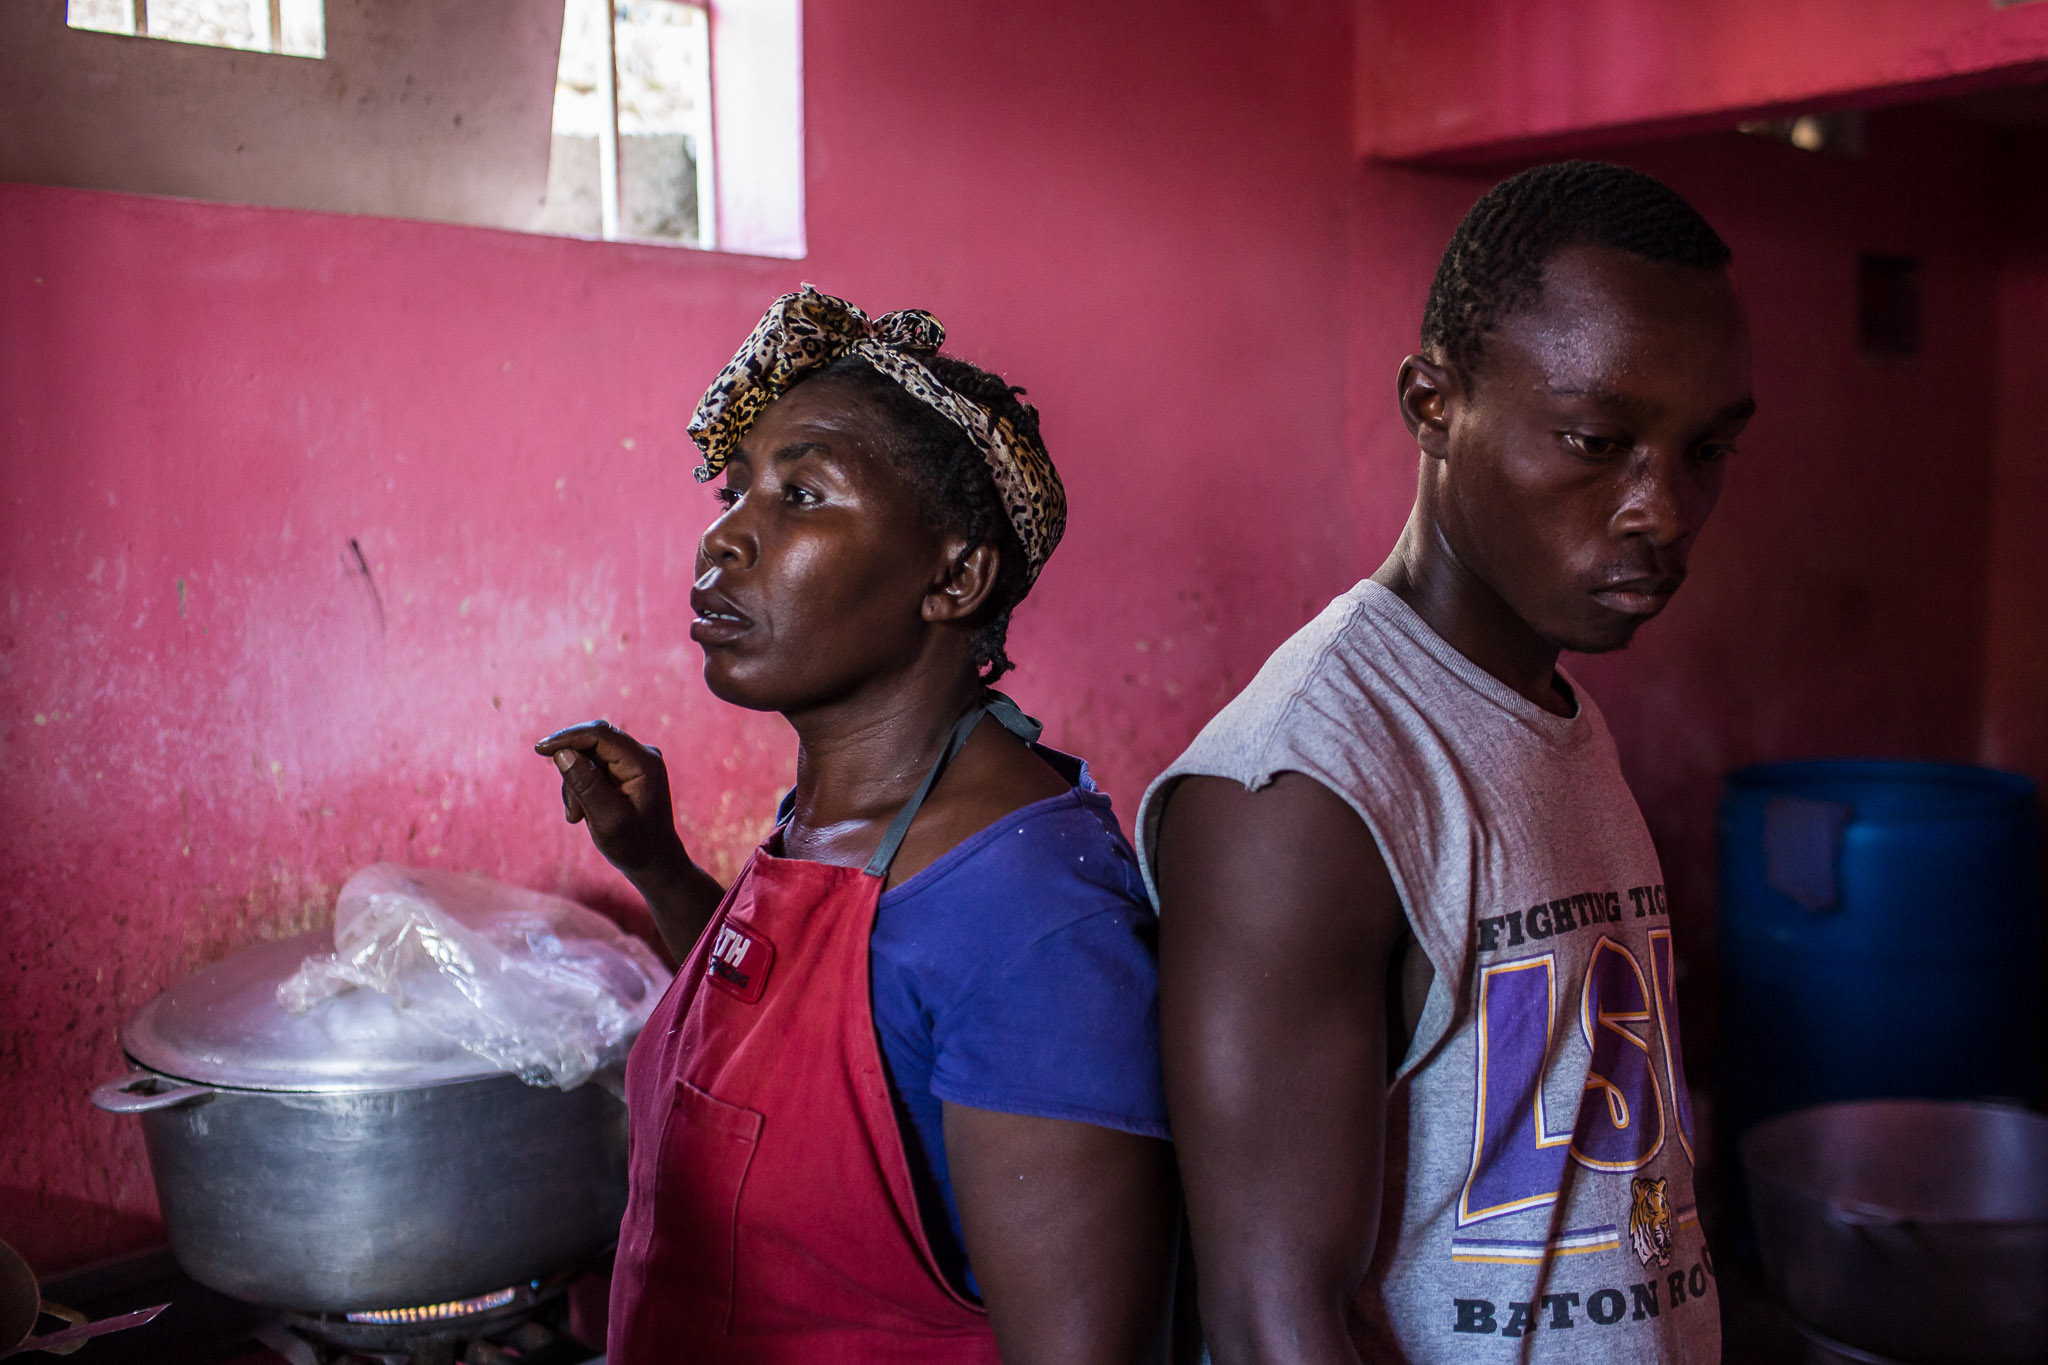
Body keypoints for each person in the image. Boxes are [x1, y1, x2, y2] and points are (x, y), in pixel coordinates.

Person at [1140, 162, 1752, 1363]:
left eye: (1705, 451)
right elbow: (1276, 1328)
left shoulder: (1547, 708)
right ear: (1432, 404)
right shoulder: (1302, 792)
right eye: (1596, 440)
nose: (1662, 509)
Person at [536, 287, 1177, 1364]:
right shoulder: (830, 826)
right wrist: (656, 865)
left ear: (955, 575)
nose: (726, 536)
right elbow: (805, 1032)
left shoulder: (1031, 917)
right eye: (735, 490)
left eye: (801, 495)